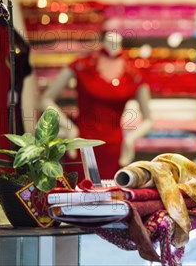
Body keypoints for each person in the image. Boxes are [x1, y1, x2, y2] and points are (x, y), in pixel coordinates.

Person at [40, 31, 153, 179]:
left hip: (114, 149)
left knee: (110, 195)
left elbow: (149, 120)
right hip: (80, 143)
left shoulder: (134, 74)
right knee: (77, 193)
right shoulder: (82, 65)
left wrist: (131, 139)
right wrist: (69, 128)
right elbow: (45, 99)